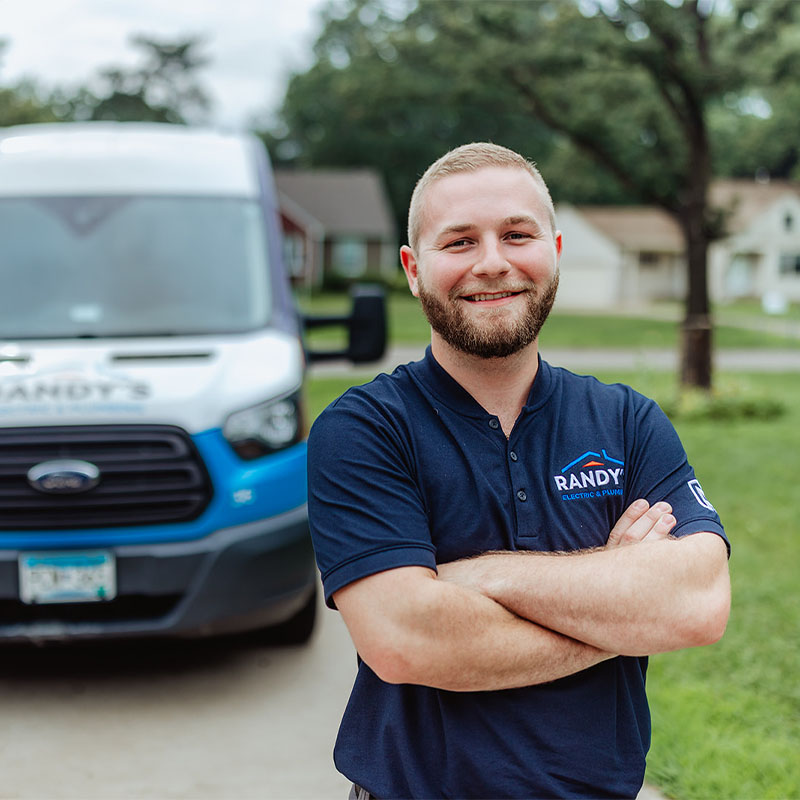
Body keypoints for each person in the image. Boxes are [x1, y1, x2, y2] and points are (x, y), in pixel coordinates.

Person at [308, 143, 730, 800]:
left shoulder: (627, 421)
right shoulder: (364, 430)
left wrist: (480, 578)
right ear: (413, 270)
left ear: (554, 250)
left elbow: (698, 604)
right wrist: (620, 614)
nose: (493, 262)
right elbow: (406, 642)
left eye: (516, 234)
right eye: (459, 242)